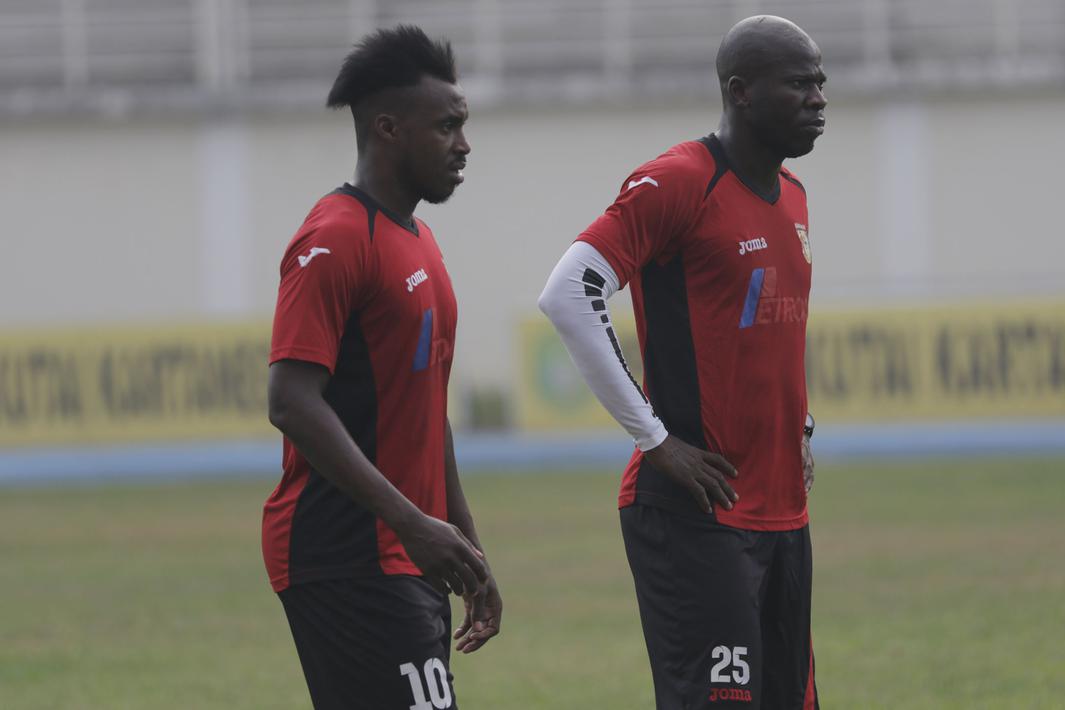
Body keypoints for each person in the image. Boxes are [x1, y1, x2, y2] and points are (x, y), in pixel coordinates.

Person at [538, 14, 825, 709]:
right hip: (698, 515)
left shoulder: (792, 196)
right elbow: (569, 293)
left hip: (783, 513)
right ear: (740, 92)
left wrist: (801, 425)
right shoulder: (677, 182)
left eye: (820, 83)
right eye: (798, 84)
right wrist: (655, 438)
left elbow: (761, 328)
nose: (818, 99)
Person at [262, 25, 500, 710]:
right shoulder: (335, 237)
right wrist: (410, 521)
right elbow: (290, 400)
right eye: (447, 126)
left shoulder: (419, 240)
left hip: (406, 550)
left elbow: (425, 409)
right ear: (389, 129)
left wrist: (464, 544)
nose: (464, 144)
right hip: (344, 553)